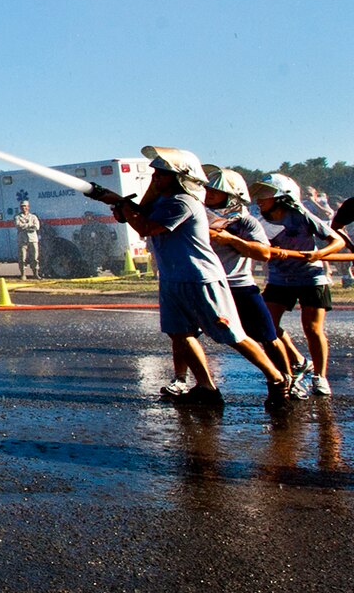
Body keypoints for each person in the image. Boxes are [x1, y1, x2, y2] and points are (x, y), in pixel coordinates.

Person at [111, 147, 292, 408]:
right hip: (173, 278)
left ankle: (277, 379)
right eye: (154, 173)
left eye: (162, 173)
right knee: (180, 333)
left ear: (180, 177)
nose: (155, 177)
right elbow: (142, 214)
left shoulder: (183, 201)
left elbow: (147, 227)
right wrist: (124, 207)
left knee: (232, 334)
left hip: (200, 278)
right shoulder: (164, 201)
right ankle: (206, 388)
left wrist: (124, 207)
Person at [201, 168, 299, 391]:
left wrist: (231, 240)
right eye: (207, 189)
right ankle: (196, 384)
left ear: (232, 193)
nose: (209, 193)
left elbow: (263, 253)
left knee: (268, 336)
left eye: (216, 190)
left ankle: (287, 380)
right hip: (207, 284)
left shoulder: (245, 222)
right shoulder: (199, 216)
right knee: (184, 334)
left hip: (240, 285)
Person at [252, 173, 348, 397]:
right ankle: (298, 360)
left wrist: (319, 254)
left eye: (265, 194)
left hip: (310, 278)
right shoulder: (259, 221)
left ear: (282, 197)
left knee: (312, 329)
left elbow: (338, 240)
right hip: (279, 280)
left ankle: (320, 377)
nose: (259, 199)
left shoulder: (301, 216)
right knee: (266, 326)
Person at [13, 200, 43, 279]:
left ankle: (35, 273)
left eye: (25, 206)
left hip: (33, 239)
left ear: (28, 207)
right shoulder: (17, 217)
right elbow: (18, 226)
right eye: (22, 206)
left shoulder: (33, 217)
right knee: (22, 258)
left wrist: (25, 226)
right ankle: (23, 274)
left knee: (35, 258)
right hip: (22, 240)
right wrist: (30, 225)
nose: (24, 208)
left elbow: (37, 227)